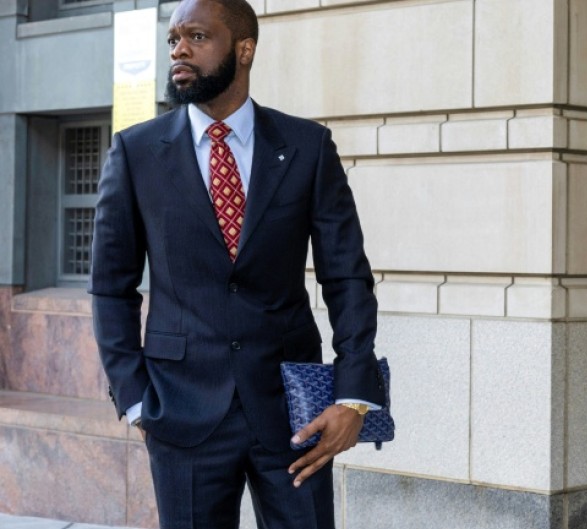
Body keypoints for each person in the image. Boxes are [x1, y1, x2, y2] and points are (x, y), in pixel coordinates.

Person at [89, 0, 385, 527]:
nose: (179, 48)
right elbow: (112, 287)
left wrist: (354, 395)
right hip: (180, 411)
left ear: (243, 49)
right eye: (174, 39)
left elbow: (347, 277)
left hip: (294, 413)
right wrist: (134, 398)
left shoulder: (307, 146)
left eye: (197, 36)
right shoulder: (134, 154)